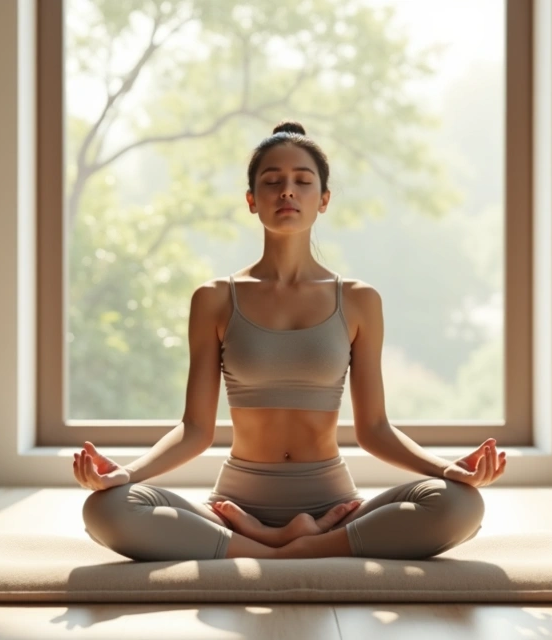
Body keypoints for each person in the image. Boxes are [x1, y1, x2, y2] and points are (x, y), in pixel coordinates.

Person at [74, 120, 507, 562]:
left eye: (302, 181)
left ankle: (304, 544)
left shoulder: (358, 300)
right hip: (234, 509)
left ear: (323, 200)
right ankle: (274, 548)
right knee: (105, 509)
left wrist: (448, 469)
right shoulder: (214, 299)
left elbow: (374, 429)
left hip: (335, 510)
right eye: (272, 181)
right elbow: (196, 429)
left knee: (461, 504)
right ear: (251, 200)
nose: (287, 191)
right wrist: (126, 475)